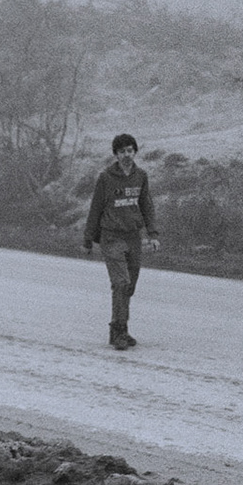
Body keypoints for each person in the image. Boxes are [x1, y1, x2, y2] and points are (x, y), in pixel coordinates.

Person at [83, 132, 160, 350]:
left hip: (133, 237)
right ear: (115, 155)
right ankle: (118, 331)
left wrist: (153, 235)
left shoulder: (141, 176)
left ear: (135, 152)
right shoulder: (106, 178)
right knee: (121, 282)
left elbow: (147, 206)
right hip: (111, 237)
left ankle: (121, 329)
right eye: (122, 151)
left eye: (130, 150)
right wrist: (88, 238)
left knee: (129, 286)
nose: (127, 155)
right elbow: (96, 208)